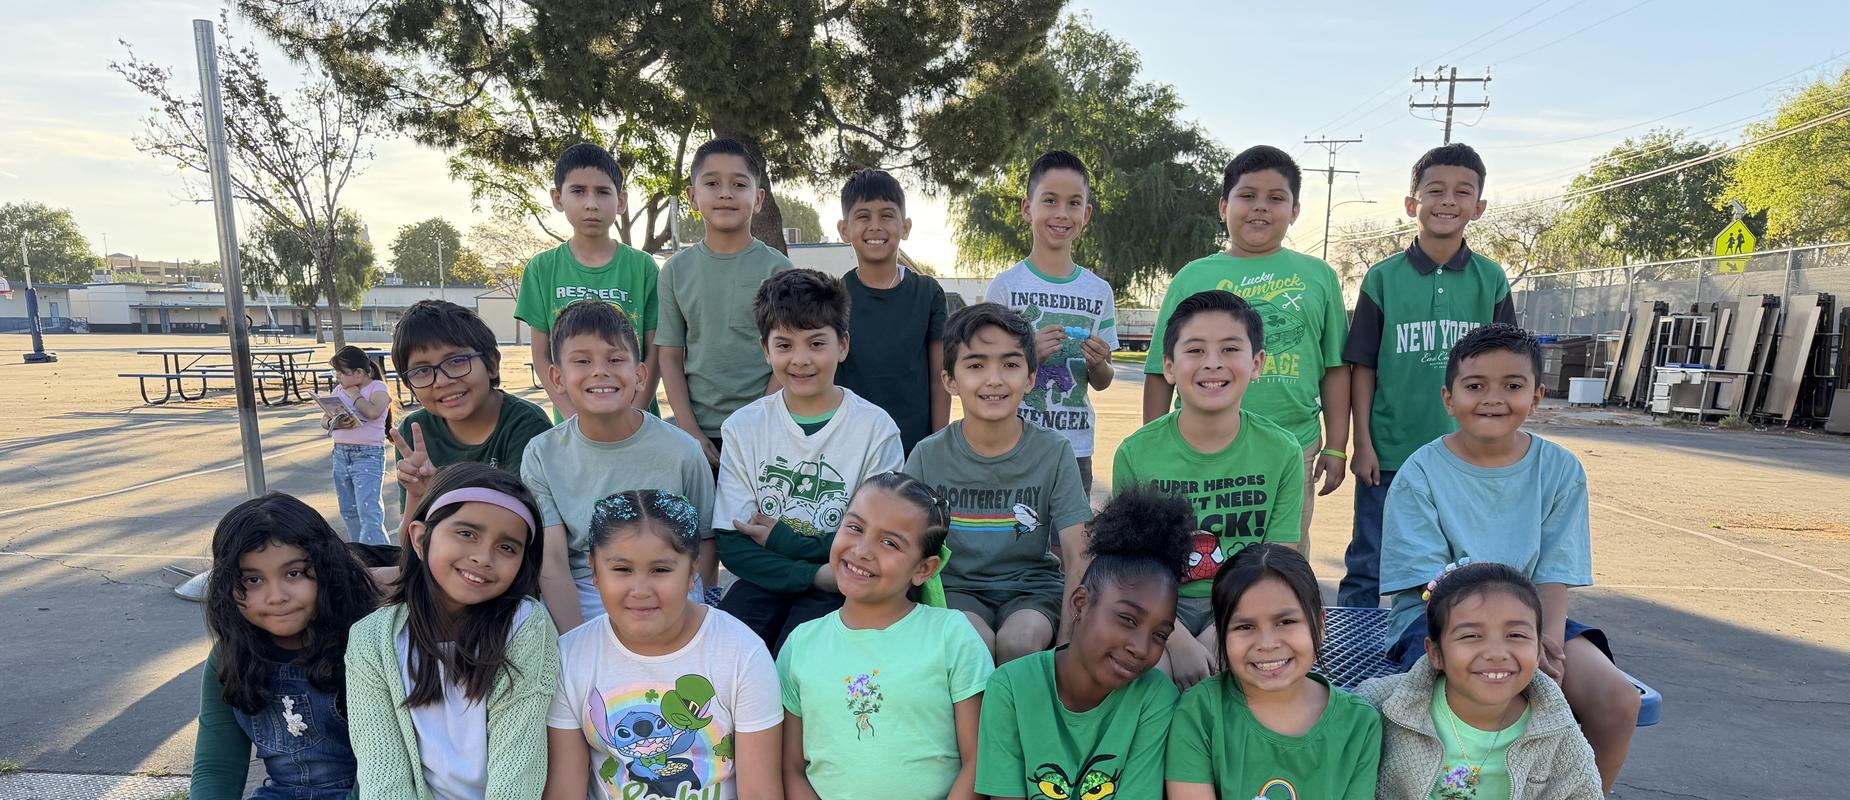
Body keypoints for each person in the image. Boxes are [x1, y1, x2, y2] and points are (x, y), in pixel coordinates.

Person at [1378, 323, 1637, 792]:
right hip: (1435, 618)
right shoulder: (1421, 471)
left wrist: (1543, 643)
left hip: (1533, 618)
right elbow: (1425, 584)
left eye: (1512, 386)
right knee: (1460, 694)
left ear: (1536, 396)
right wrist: (1495, 638)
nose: (1493, 398)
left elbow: (1555, 574)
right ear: (1448, 398)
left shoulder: (1560, 469)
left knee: (1619, 699)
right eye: (1475, 386)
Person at [1142, 146, 1350, 553]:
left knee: (1281, 560)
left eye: (1276, 198)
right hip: (1199, 447)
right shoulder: (1194, 276)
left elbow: (1336, 368)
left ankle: (1278, 617)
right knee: (1189, 556)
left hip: (1293, 445)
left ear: (1295, 210)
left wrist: (1338, 444)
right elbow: (1158, 368)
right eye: (1247, 195)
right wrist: (1154, 440)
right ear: (1223, 207)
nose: (1260, 208)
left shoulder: (1319, 277)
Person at [1339, 142, 1517, 609]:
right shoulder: (1383, 278)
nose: (1447, 201)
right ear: (1411, 203)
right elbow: (1363, 367)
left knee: (1461, 566)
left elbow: (1507, 370)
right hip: (1391, 453)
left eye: (1463, 192)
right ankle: (1352, 665)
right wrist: (1364, 444)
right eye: (1434, 190)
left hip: (1467, 452)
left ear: (1478, 207)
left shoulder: (1491, 279)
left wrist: (1499, 441)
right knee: (1370, 561)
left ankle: (1441, 657)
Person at [1112, 289, 1303, 690]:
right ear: (1169, 366)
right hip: (1162, 610)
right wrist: (1176, 640)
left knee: (1260, 679)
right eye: (1195, 350)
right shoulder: (1136, 453)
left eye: (1230, 349)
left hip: (1249, 607)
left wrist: (1224, 631)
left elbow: (1280, 562)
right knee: (1153, 681)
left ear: (1256, 364)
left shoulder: (1282, 451)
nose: (1212, 363)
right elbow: (1132, 569)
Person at [544, 490, 782, 800]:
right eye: (621, 569)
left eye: (661, 570)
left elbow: (760, 791)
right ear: (594, 570)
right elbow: (565, 789)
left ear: (692, 571)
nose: (640, 590)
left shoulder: (741, 652)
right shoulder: (570, 656)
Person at [713, 269, 904, 653]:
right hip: (787, 577)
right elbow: (734, 546)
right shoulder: (744, 427)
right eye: (784, 345)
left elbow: (873, 543)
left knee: (799, 656)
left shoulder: (875, 429)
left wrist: (780, 538)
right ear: (765, 349)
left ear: (843, 345)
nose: (801, 360)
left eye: (816, 343)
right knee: (726, 648)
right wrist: (815, 574)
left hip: (848, 583)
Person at [345, 463, 561, 799]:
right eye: (466, 533)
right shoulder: (371, 640)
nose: (483, 557)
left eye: (507, 547)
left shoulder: (525, 625)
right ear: (420, 538)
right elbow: (382, 771)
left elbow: (519, 766)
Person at [777, 473, 991, 800]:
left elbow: (979, 761)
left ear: (924, 569)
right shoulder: (801, 644)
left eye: (889, 542)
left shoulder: (952, 635)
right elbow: (790, 767)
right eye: (855, 527)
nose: (862, 550)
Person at [974, 488, 1192, 800]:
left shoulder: (1155, 698)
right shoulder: (1011, 686)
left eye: (1160, 635)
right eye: (1127, 619)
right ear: (1079, 604)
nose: (1141, 648)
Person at [906, 303, 1092, 664]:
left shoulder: (1053, 451)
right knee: (971, 642)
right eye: (976, 366)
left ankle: (1022, 718)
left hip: (1032, 590)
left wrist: (1069, 644)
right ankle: (971, 722)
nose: (994, 379)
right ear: (950, 381)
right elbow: (901, 544)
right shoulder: (928, 455)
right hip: (956, 589)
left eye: (1010, 364)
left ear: (1030, 377)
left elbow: (1077, 552)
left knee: (1019, 642)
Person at [521, 300, 717, 633]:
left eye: (615, 359)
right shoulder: (543, 453)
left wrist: (694, 611)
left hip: (668, 585)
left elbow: (707, 540)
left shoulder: (683, 450)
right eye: (582, 361)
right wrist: (576, 643)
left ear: (640, 375)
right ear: (557, 378)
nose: (600, 371)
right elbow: (553, 562)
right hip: (586, 590)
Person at [1358, 561, 1603, 799]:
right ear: (1435, 653)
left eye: (1516, 635)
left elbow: (1583, 791)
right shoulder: (1381, 708)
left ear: (1539, 649)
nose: (1496, 653)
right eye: (1471, 635)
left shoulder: (1556, 729)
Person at [191, 494, 378, 800]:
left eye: (294, 574)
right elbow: (216, 767)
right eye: (252, 580)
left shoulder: (365, 645)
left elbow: (382, 765)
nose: (276, 596)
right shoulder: (229, 657)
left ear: (328, 570)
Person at [1164, 543, 1381, 799]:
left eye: (1286, 622)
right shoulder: (1199, 712)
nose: (1267, 644)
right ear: (1220, 634)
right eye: (1245, 626)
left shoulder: (1360, 724)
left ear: (1321, 624)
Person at [982, 150, 1118, 492]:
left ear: (1086, 214)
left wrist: (1099, 363)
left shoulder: (1098, 291)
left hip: (1075, 450)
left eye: (1074, 203)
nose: (1062, 213)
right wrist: (1029, 354)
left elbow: (1102, 380)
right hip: (1013, 445)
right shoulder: (1005, 287)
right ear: (1028, 209)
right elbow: (986, 372)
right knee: (1012, 541)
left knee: (1067, 545)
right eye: (1050, 200)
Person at [656, 138, 795, 467]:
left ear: (758, 199)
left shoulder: (779, 270)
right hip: (700, 433)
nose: (725, 193)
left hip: (769, 428)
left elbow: (789, 353)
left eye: (739, 184)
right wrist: (690, 431)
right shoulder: (676, 271)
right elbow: (670, 357)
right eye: (712, 183)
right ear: (692, 196)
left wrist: (759, 421)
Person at [516, 142, 661, 421]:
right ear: (558, 198)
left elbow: (654, 352)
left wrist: (634, 413)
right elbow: (542, 356)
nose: (591, 203)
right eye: (578, 191)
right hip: (575, 425)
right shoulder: (541, 269)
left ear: (621, 202)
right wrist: (573, 418)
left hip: (638, 422)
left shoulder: (642, 266)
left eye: (603, 192)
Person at [387, 300, 552, 536]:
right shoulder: (415, 432)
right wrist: (418, 494)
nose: (442, 380)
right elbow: (408, 545)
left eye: (456, 361)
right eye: (422, 371)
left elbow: (523, 528)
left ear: (492, 364)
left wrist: (442, 490)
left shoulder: (525, 425)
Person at [832, 168, 950, 455]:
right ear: (844, 229)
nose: (875, 226)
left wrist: (936, 448)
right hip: (850, 450)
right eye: (863, 216)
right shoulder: (833, 295)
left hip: (913, 447)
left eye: (886, 215)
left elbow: (939, 378)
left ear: (905, 227)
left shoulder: (927, 293)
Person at [325, 345, 393, 545]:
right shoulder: (339, 389)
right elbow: (324, 420)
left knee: (368, 510)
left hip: (367, 454)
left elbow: (373, 412)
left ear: (359, 372)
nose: (338, 377)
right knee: (348, 508)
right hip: (340, 453)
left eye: (342, 373)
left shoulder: (378, 388)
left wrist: (355, 395)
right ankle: (359, 551)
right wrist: (334, 422)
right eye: (336, 372)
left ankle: (379, 555)